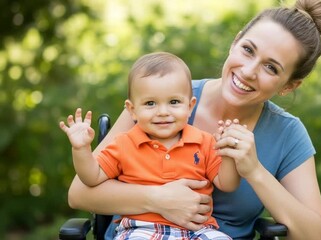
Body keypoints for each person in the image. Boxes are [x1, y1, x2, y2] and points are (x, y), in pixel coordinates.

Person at [67, 0, 321, 239]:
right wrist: (157, 199)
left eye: (271, 68)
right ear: (235, 42)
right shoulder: (161, 100)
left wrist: (254, 171)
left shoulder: (287, 134)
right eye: (248, 50)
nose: (249, 71)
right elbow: (79, 193)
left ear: (289, 86)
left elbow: (314, 234)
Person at [59, 52, 240, 239]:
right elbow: (91, 177)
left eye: (174, 102)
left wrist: (227, 154)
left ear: (190, 106)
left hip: (197, 229)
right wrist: (81, 150)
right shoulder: (124, 144)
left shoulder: (204, 141)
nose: (163, 112)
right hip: (140, 229)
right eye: (150, 103)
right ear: (132, 110)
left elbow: (227, 184)